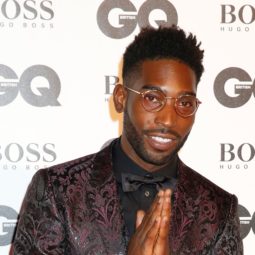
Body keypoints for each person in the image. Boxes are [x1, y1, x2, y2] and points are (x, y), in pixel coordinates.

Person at [12, 25, 243, 254]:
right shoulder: (57, 192)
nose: (169, 121)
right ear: (121, 98)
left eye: (184, 103)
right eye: (153, 98)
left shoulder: (219, 210)